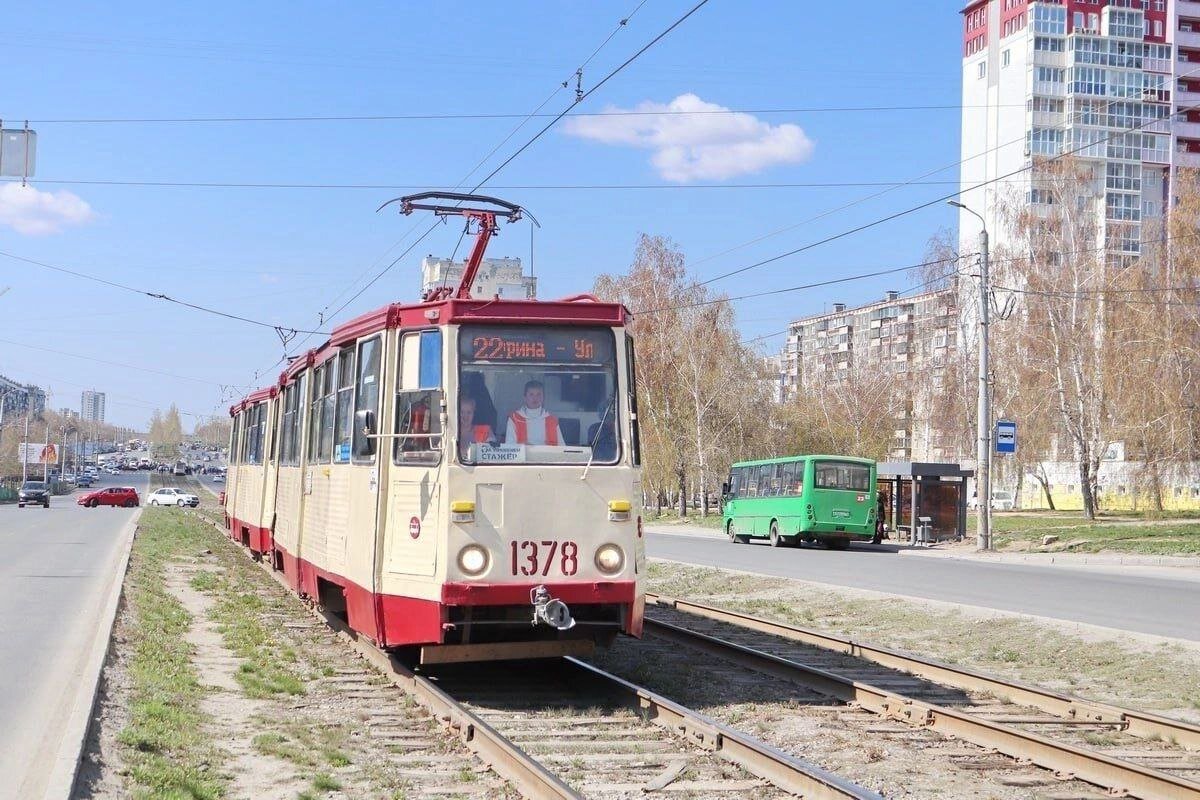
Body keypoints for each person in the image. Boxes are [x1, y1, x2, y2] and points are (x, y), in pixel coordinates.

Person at [506, 380, 564, 446]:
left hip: (547, 456)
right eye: (531, 394)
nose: (535, 398)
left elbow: (562, 448)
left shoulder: (551, 420)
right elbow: (509, 446)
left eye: (539, 394)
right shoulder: (514, 418)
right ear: (525, 397)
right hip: (523, 456)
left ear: (543, 397)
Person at [459, 395, 496, 460]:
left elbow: (493, 454)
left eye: (469, 412)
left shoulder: (486, 431)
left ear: (474, 413)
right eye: (462, 412)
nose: (465, 416)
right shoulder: (451, 432)